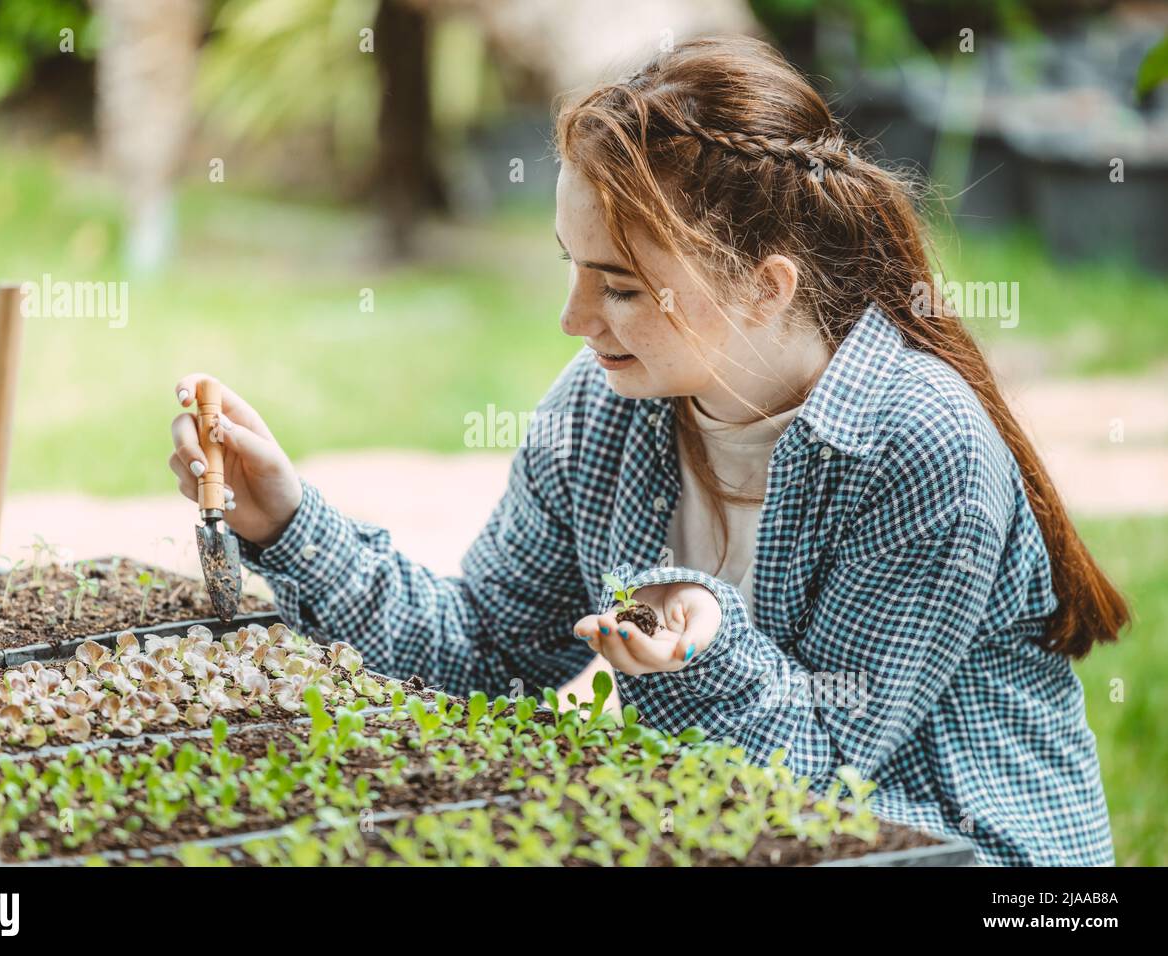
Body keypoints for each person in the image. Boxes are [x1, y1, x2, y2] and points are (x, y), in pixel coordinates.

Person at [167, 36, 1125, 866]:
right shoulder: (607, 407)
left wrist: (703, 643)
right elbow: (486, 659)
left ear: (764, 287)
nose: (573, 319)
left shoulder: (916, 443)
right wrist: (288, 524)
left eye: (620, 286)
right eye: (571, 268)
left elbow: (820, 784)